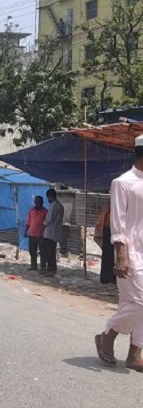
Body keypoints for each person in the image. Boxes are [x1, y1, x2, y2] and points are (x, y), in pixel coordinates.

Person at [95, 134, 143, 370]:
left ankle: (135, 354)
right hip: (132, 253)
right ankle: (108, 335)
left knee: (133, 303)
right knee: (139, 303)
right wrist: (121, 255)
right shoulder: (122, 183)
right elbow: (118, 222)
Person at [41, 188, 64, 277]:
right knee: (51, 252)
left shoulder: (54, 206)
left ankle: (51, 270)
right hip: (55, 232)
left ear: (50, 196)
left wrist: (43, 225)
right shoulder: (60, 206)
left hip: (50, 233)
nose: (48, 200)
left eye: (48, 197)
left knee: (49, 253)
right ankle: (51, 269)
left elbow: (49, 219)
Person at [24, 196, 48, 271]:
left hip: (41, 236)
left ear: (42, 202)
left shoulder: (45, 212)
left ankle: (43, 267)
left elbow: (47, 223)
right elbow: (28, 222)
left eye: (39, 202)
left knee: (43, 252)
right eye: (36, 202)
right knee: (32, 251)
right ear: (34, 202)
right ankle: (33, 266)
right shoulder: (31, 211)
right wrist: (25, 230)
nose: (38, 204)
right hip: (32, 235)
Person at [94, 200, 115, 285]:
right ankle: (107, 278)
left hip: (111, 231)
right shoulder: (107, 211)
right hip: (108, 232)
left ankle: (110, 278)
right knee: (108, 256)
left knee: (112, 257)